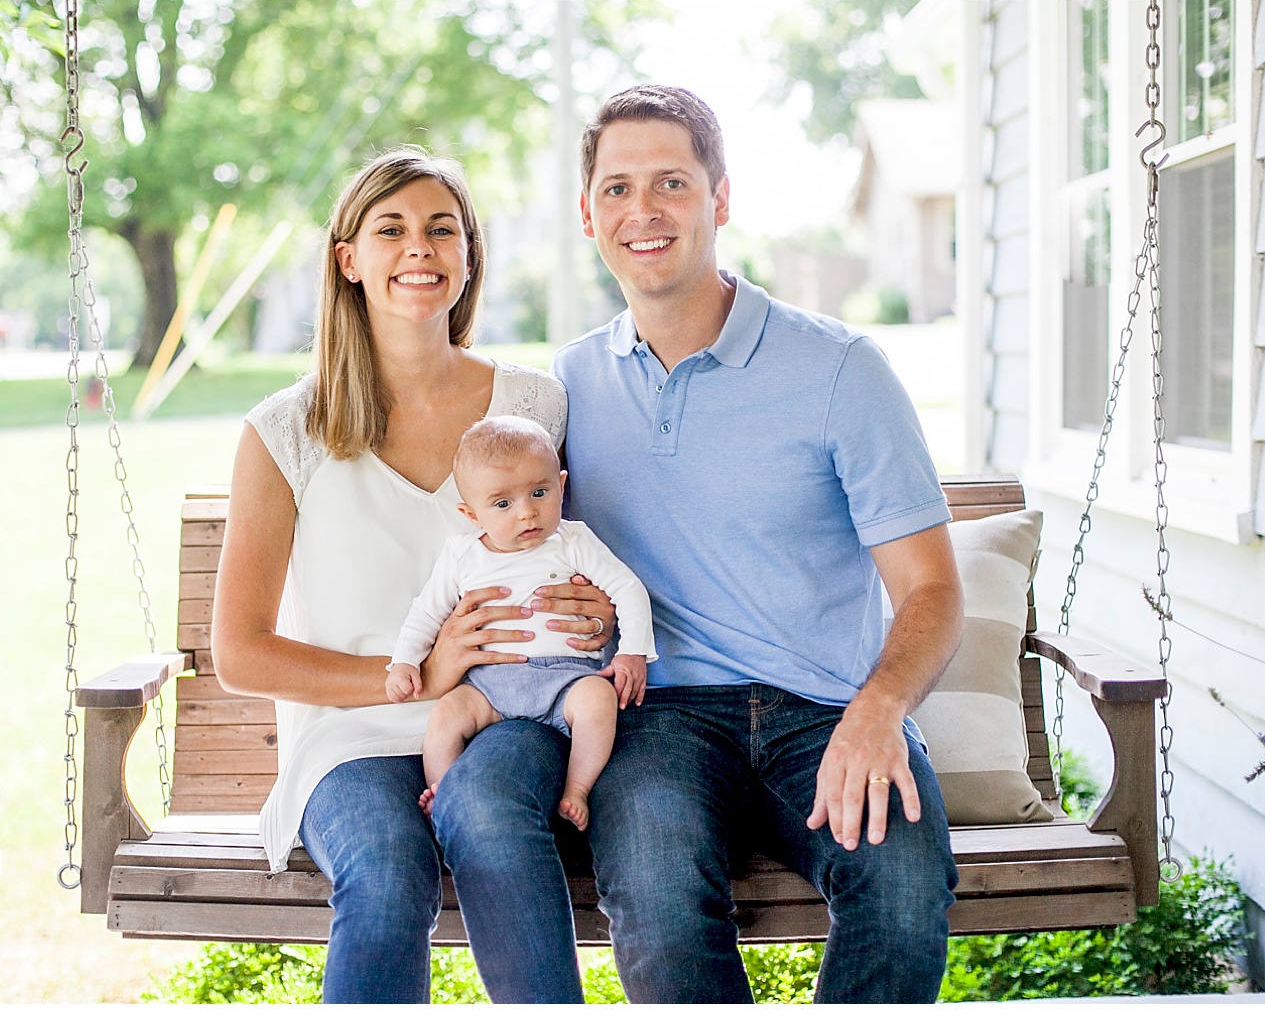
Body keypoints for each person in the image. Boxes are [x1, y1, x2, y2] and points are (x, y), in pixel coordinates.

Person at [551, 85, 965, 1002]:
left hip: (828, 707)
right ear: (588, 214)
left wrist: (881, 708)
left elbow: (932, 589)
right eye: (616, 189)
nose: (642, 211)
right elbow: (523, 534)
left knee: (900, 891)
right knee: (656, 898)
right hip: (657, 717)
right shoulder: (570, 383)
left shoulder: (840, 369)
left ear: (721, 198)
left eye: (671, 183)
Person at [209, 147, 612, 1004]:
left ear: (468, 256)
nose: (419, 248)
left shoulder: (534, 406)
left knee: (497, 829)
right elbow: (240, 652)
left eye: (442, 229)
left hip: (508, 714)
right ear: (348, 260)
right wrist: (418, 677)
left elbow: (582, 554)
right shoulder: (287, 431)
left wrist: (591, 614)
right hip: (350, 737)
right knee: (388, 876)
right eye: (390, 230)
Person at [386, 415, 655, 830]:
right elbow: (427, 611)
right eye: (503, 504)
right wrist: (404, 662)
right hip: (489, 686)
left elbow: (628, 589)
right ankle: (444, 788)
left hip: (565, 680)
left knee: (598, 702)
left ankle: (577, 788)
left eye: (540, 492)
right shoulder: (462, 554)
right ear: (471, 514)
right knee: (446, 715)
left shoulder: (572, 540)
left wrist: (632, 652)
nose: (527, 513)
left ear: (562, 486)